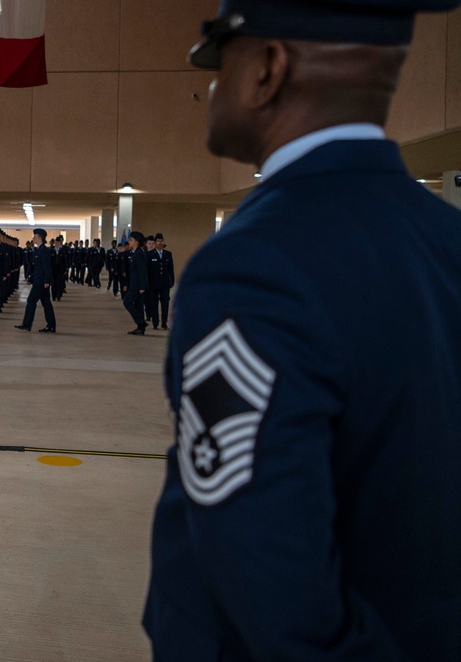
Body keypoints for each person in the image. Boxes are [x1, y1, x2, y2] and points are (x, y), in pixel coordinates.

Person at [143, 1, 461, 660]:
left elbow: (270, 582)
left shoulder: (255, 264)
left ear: (267, 68)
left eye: (219, 61)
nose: (209, 87)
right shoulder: (445, 239)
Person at [14, 228, 56, 333]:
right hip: (39, 280)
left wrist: (47, 281)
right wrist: (31, 278)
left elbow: (47, 267)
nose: (33, 238)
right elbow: (37, 268)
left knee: (31, 301)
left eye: (35, 237)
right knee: (46, 303)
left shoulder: (43, 250)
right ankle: (51, 326)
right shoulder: (39, 250)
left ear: (39, 238)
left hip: (41, 282)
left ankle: (27, 324)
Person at [120, 231, 148, 335]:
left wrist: (141, 286)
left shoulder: (139, 254)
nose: (129, 241)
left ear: (136, 242)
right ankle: (140, 328)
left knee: (127, 302)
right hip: (134, 284)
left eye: (131, 240)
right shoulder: (135, 253)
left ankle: (141, 322)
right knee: (138, 305)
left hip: (137, 286)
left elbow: (142, 272)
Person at [145, 232, 174, 330]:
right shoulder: (149, 255)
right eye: (158, 241)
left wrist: (171, 282)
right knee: (154, 303)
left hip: (165, 283)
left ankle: (164, 322)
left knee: (165, 303)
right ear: (155, 242)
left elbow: (171, 270)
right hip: (153, 284)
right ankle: (155, 322)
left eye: (162, 241)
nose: (160, 243)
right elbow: (147, 270)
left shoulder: (168, 254)